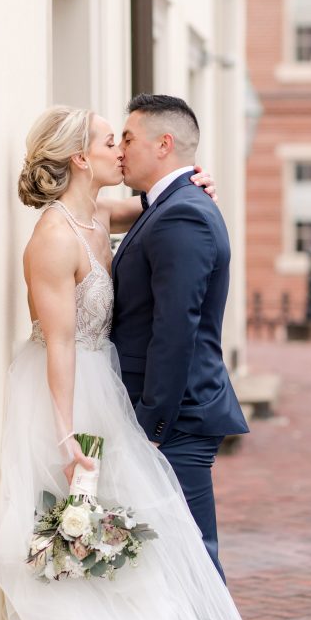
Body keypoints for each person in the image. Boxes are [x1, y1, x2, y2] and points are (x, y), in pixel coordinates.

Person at [0, 105, 279, 620]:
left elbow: (145, 210)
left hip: (111, 392)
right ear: (80, 160)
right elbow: (59, 341)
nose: (117, 146)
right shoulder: (54, 238)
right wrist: (66, 431)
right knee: (81, 539)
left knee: (134, 542)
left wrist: (188, 183)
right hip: (70, 394)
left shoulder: (101, 216)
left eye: (124, 137)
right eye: (105, 139)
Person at [112, 93, 249, 582]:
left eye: (128, 138)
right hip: (171, 414)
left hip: (178, 417)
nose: (120, 148)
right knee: (170, 561)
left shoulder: (183, 213)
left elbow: (176, 330)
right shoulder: (169, 204)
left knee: (194, 564)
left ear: (163, 143)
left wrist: (152, 425)